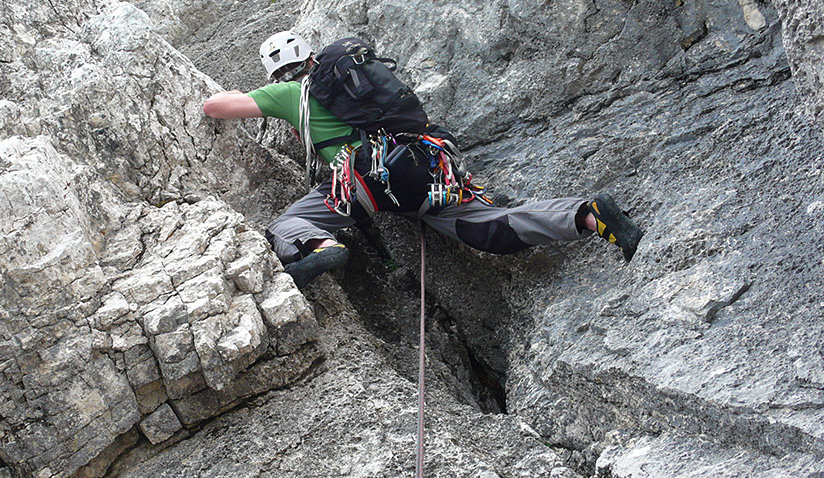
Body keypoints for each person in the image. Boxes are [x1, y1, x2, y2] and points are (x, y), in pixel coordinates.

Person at [203, 30, 644, 287]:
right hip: (424, 170)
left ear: (276, 72)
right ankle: (590, 216)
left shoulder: (287, 92)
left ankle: (321, 246)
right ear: (311, 55)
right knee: (489, 227)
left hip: (365, 182)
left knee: (288, 223)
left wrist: (245, 93)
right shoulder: (356, 83)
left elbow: (216, 107)